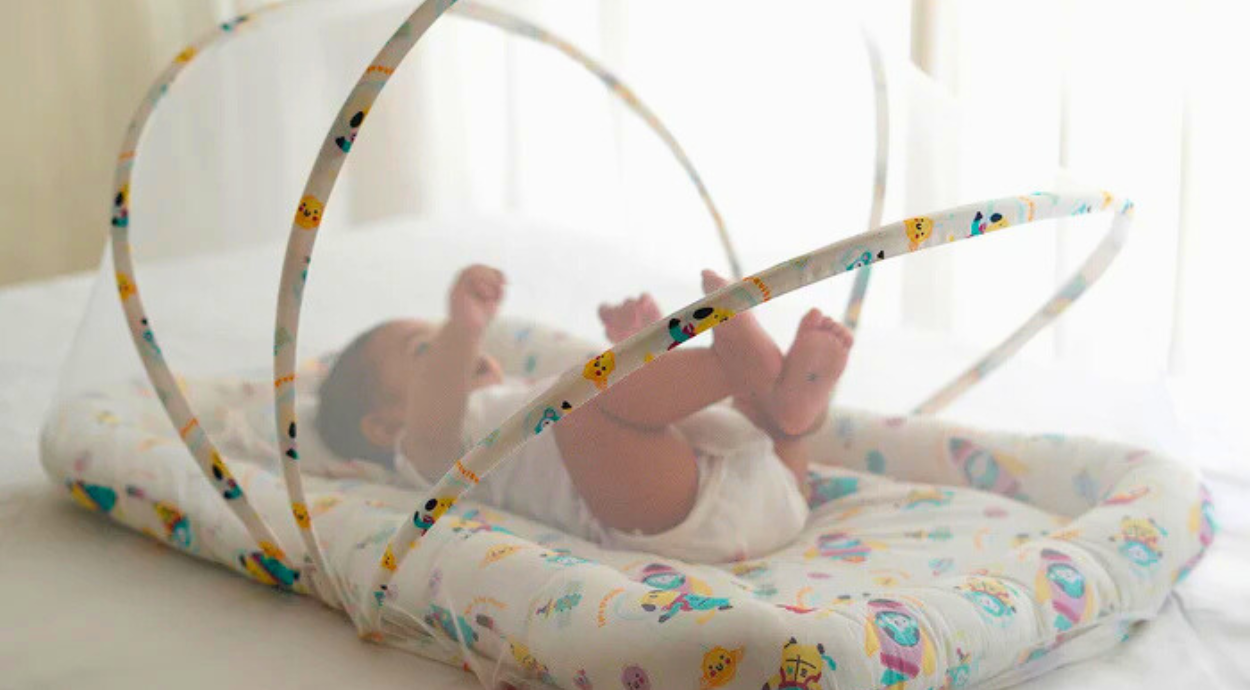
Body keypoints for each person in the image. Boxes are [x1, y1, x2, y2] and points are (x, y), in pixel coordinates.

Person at [316, 265, 853, 562]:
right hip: (676, 512)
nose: (451, 351)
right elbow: (435, 408)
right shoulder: (428, 455)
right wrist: (460, 329)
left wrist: (635, 352)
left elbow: (638, 421)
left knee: (592, 393)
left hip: (765, 483)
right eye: (423, 350)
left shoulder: (511, 397)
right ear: (384, 425)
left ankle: (784, 410)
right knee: (578, 401)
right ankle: (743, 375)